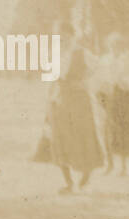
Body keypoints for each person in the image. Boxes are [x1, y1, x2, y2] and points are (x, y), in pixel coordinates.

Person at [45, 44, 105, 193]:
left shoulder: (81, 52)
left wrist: (85, 79)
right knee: (61, 138)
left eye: (65, 35)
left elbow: (99, 66)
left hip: (79, 99)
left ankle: (86, 175)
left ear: (71, 35)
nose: (62, 38)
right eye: (59, 35)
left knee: (83, 135)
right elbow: (51, 79)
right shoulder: (54, 53)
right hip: (60, 99)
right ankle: (68, 182)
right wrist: (50, 98)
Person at [92, 32, 129, 176]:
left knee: (122, 130)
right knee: (107, 129)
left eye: (118, 44)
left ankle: (123, 166)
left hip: (122, 96)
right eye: (112, 44)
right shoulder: (104, 60)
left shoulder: (128, 60)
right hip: (106, 95)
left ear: (122, 46)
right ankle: (109, 164)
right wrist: (100, 89)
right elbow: (98, 76)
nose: (115, 47)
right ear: (108, 45)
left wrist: (125, 82)